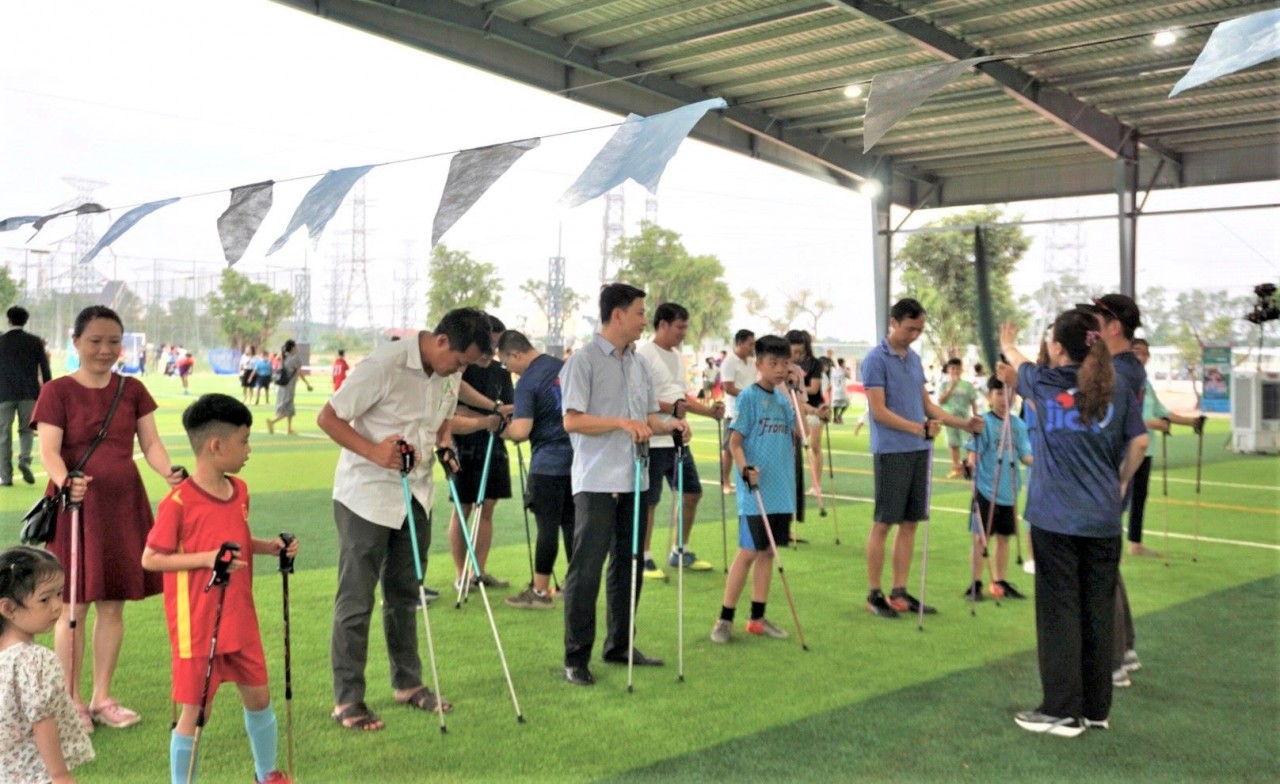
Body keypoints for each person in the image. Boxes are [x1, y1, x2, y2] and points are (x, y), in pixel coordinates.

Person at [316, 308, 490, 730]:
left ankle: (408, 684)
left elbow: (441, 422)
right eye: (460, 361)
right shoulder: (385, 364)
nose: (460, 371)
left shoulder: (448, 374)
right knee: (356, 600)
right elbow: (328, 417)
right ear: (442, 341)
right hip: (367, 497)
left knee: (405, 594)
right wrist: (374, 451)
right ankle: (348, 700)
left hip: (417, 495)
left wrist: (444, 445)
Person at [33, 305, 186, 731]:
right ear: (76, 342)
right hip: (76, 506)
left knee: (113, 605)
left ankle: (102, 697)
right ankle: (71, 700)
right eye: (95, 341)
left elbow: (150, 443)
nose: (105, 350)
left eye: (113, 342)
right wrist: (66, 483)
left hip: (122, 505)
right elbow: (49, 451)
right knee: (72, 606)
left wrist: (168, 472)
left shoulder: (132, 389)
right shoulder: (57, 391)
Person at [998, 311, 1146, 737]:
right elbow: (1139, 442)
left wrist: (1008, 343)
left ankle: (1062, 709)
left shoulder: (1045, 383)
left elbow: (1016, 362)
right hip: (1103, 520)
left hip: (1056, 519)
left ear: (1058, 347)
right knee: (1097, 613)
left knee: (1059, 613)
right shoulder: (1115, 387)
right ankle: (1096, 709)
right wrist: (1120, 481)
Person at [141, 394, 298, 784]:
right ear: (215, 445)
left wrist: (269, 547)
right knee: (197, 713)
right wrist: (206, 558)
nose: (248, 450)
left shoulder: (239, 490)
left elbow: (236, 540)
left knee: (259, 698)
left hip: (240, 620)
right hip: (197, 627)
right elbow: (151, 558)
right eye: (243, 441)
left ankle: (267, 775)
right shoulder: (178, 503)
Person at [559, 283, 688, 687]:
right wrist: (619, 422)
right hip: (596, 482)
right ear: (617, 315)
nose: (644, 319)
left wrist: (671, 425)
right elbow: (572, 420)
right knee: (587, 570)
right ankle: (576, 658)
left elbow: (647, 419)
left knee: (629, 565)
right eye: (639, 312)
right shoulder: (583, 361)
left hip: (635, 478)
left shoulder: (638, 363)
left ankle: (619, 645)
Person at [861, 298, 983, 619]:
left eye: (919, 330)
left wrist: (964, 423)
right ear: (894, 322)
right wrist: (918, 428)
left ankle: (899, 591)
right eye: (910, 328)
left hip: (919, 449)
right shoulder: (875, 359)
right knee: (884, 523)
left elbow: (927, 406)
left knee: (910, 522)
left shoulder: (914, 360)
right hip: (892, 450)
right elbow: (878, 411)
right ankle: (874, 594)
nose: (915, 335)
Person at [711, 335, 798, 644]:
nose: (780, 369)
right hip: (756, 491)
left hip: (781, 491)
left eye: (785, 363)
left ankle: (757, 619)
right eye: (773, 363)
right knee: (748, 552)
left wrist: (796, 391)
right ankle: (724, 618)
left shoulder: (784, 400)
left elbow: (798, 431)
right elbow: (734, 442)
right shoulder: (748, 398)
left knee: (768, 553)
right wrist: (745, 469)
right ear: (759, 364)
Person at [637, 302, 723, 580]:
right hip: (653, 440)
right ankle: (643, 557)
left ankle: (680, 550)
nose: (684, 333)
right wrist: (670, 407)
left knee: (692, 493)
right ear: (662, 324)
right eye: (680, 327)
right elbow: (640, 398)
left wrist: (709, 412)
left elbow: (682, 398)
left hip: (678, 440)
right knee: (650, 501)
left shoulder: (676, 355)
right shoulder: (644, 355)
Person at [0, 546, 95, 784]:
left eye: (59, 594)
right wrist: (59, 775)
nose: (56, 606)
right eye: (45, 599)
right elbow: (42, 721)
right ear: (9, 608)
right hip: (37, 774)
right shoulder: (35, 661)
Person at [497, 330, 574, 609]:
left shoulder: (527, 382)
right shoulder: (562, 367)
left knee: (547, 527)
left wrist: (501, 430)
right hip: (577, 460)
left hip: (548, 464)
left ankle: (540, 591)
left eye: (506, 363)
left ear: (515, 354)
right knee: (572, 524)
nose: (508, 369)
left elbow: (520, 431)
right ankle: (573, 585)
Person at [447, 315, 514, 592]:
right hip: (463, 447)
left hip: (493, 446)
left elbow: (508, 410)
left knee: (487, 508)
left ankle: (479, 572)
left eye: (496, 344)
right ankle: (461, 573)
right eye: (489, 343)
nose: (492, 350)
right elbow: (453, 410)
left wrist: (500, 419)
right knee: (462, 508)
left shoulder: (501, 372)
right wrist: (488, 417)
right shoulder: (461, 368)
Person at [1127, 338, 1204, 558]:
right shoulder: (1125, 381)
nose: (1141, 356)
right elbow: (1126, 417)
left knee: (1139, 498)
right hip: (1127, 448)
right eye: (1136, 351)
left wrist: (1192, 422)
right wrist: (1154, 424)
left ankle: (1135, 544)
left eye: (1144, 352)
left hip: (1146, 449)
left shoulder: (1146, 385)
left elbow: (1163, 412)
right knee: (1118, 496)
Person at [962, 375, 1033, 601]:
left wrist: (1045, 462)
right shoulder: (983, 423)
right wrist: (970, 463)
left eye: (1010, 393)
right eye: (1000, 393)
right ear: (990, 396)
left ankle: (999, 582)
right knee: (981, 539)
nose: (1005, 398)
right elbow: (973, 453)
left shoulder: (1018, 425)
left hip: (1009, 492)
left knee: (1004, 538)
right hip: (986, 490)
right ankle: (975, 583)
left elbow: (1026, 456)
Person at [0, 306, 52, 486]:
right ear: (25, 321)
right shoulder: (35, 342)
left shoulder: (1, 341)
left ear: (9, 320)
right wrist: (48, 390)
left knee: (3, 435)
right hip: (29, 393)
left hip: (3, 393)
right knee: (26, 430)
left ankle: (6, 476)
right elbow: (45, 368)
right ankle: (24, 459)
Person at [718, 330, 756, 491]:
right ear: (739, 343)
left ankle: (748, 481)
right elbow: (729, 388)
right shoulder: (729, 362)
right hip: (734, 412)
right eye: (750, 344)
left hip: (752, 412)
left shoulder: (752, 361)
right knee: (729, 449)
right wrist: (749, 396)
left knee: (749, 449)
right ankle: (725, 482)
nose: (752, 347)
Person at [938, 358, 980, 478]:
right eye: (953, 368)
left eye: (957, 368)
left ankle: (969, 467)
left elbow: (973, 400)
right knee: (953, 444)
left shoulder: (967, 385)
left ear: (961, 369)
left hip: (964, 419)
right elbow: (940, 401)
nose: (955, 371)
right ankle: (956, 468)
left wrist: (975, 414)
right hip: (949, 419)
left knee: (969, 444)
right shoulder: (944, 385)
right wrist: (952, 387)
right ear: (948, 370)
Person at [265, 340, 313, 436]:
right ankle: (273, 421)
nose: (297, 348)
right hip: (289, 386)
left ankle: (289, 429)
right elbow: (299, 372)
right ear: (292, 348)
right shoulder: (295, 358)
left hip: (281, 385)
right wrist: (307, 384)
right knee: (287, 407)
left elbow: (278, 360)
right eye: (295, 346)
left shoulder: (283, 356)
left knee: (290, 407)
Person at [830, 357, 850, 424]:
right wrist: (848, 370)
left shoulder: (834, 371)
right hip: (842, 390)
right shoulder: (844, 371)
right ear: (843, 363)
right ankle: (839, 416)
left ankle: (835, 418)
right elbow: (849, 377)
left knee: (835, 404)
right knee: (846, 403)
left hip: (835, 390)